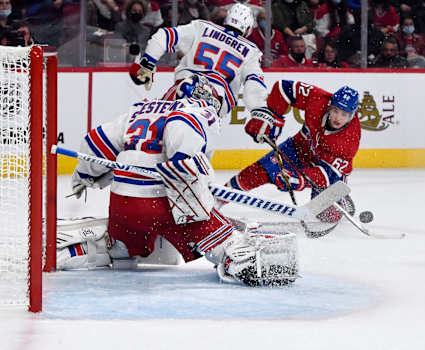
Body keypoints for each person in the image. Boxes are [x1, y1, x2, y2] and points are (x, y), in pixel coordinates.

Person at [56, 74, 298, 287]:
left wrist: (84, 175)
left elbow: (97, 141)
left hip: (123, 203)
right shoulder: (195, 109)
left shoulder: (141, 108)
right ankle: (238, 258)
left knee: (123, 247)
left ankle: (80, 250)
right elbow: (182, 133)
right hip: (163, 203)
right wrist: (187, 168)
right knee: (220, 237)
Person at [227, 80, 360, 223]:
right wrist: (274, 119)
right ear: (330, 106)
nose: (338, 118)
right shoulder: (318, 99)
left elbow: (326, 174)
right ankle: (218, 197)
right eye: (335, 111)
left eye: (344, 114)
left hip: (328, 172)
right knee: (258, 172)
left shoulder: (350, 139)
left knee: (326, 215)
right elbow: (283, 88)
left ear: (352, 115)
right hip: (298, 149)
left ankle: (341, 201)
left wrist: (297, 179)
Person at [129, 3, 273, 125]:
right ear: (248, 29)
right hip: (214, 104)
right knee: (197, 151)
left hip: (182, 89)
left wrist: (148, 62)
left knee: (154, 128)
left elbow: (165, 36)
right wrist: (258, 110)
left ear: (226, 20)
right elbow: (253, 82)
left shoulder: (202, 27)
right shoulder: (251, 51)